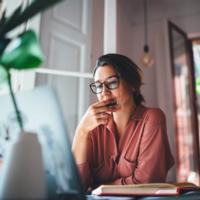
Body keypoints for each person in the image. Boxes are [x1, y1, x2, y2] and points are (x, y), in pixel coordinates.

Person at [72, 53, 174, 191]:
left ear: (132, 84)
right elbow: (77, 187)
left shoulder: (152, 118)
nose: (104, 92)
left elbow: (146, 183)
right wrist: (81, 131)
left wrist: (98, 187)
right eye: (98, 86)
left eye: (112, 83)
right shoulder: (92, 128)